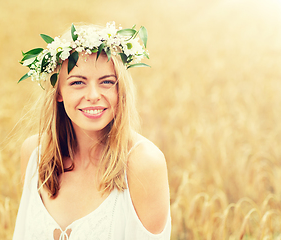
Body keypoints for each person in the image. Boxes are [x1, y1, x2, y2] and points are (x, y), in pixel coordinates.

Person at [13, 22, 171, 240]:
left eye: (107, 81)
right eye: (78, 82)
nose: (94, 95)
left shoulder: (143, 163)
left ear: (120, 90)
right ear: (58, 93)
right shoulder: (35, 154)